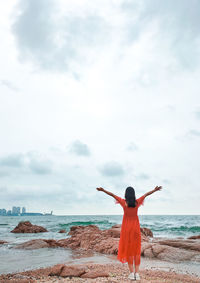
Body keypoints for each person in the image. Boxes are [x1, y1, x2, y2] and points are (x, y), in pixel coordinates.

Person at [96, 185, 162, 281]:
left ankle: (131, 273)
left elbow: (112, 195)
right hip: (135, 229)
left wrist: (102, 190)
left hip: (126, 229)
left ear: (126, 194)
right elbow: (146, 194)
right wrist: (155, 190)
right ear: (133, 194)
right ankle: (137, 274)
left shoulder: (123, 202)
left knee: (129, 251)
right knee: (136, 251)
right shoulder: (137, 202)